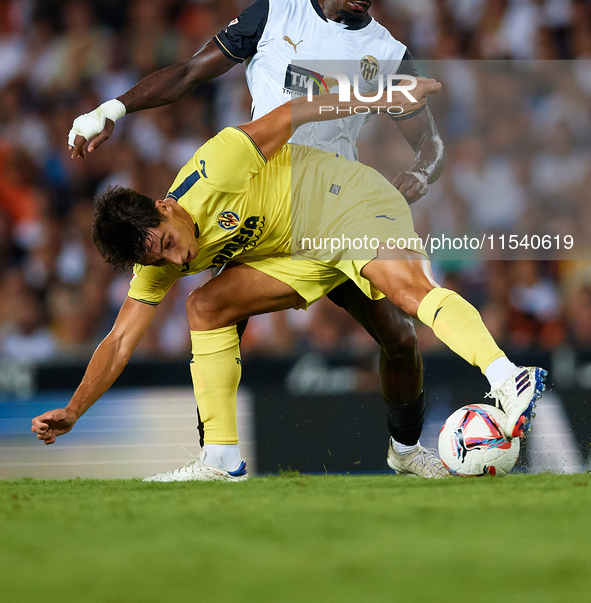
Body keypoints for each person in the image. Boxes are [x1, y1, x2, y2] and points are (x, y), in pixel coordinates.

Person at [65, 0, 450, 479]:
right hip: (259, 194)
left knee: (398, 338)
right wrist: (111, 108)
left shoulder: (388, 52)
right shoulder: (274, 15)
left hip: (332, 205)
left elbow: (431, 144)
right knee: (217, 314)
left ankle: (406, 451)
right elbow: (191, 73)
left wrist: (420, 175)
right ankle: (215, 457)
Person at [33, 81, 547, 484]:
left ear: (165, 207)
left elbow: (296, 112)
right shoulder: (156, 261)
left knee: (404, 313)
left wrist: (388, 97)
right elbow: (120, 339)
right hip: (297, 253)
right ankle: (219, 459)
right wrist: (75, 410)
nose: (178, 256)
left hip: (345, 202)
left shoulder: (216, 166)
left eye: (168, 241)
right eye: (160, 257)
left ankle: (503, 380)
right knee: (204, 308)